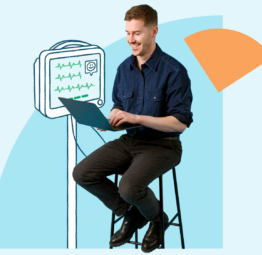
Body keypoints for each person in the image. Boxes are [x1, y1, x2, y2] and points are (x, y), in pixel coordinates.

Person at [72, 4, 193, 253]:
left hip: (163, 145)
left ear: (153, 31)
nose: (130, 40)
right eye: (127, 33)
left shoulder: (174, 71)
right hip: (130, 141)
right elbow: (120, 106)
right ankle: (131, 213)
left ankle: (158, 220)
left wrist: (136, 117)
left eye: (136, 33)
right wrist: (113, 120)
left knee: (129, 187)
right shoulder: (123, 69)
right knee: (82, 173)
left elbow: (180, 123)